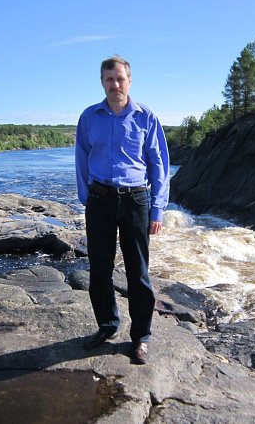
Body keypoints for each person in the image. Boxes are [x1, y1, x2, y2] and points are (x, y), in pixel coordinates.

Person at [75, 56, 170, 364]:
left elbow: (159, 164)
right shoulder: (90, 117)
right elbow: (81, 158)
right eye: (109, 79)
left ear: (129, 80)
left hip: (136, 200)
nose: (115, 84)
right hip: (100, 199)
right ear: (102, 82)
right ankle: (107, 326)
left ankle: (141, 337)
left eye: (120, 79)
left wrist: (157, 209)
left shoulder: (146, 117)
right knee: (99, 270)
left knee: (138, 273)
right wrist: (86, 198)